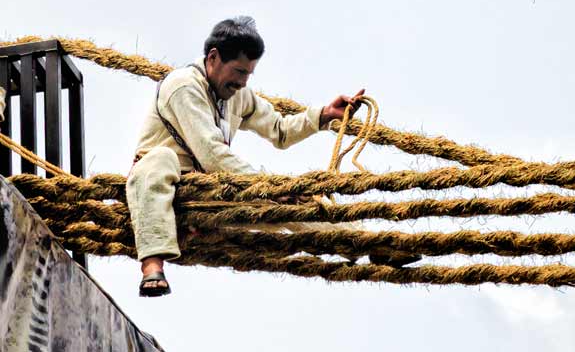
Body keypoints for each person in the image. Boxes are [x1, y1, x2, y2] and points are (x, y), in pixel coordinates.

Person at [127, 16, 418, 297]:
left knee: (297, 205)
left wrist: (324, 115)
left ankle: (369, 245)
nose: (243, 82)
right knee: (161, 158)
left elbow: (279, 130)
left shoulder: (238, 96)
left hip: (207, 193)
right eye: (239, 72)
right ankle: (153, 266)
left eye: (249, 74)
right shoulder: (184, 86)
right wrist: (267, 187)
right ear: (213, 58)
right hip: (162, 183)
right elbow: (212, 152)